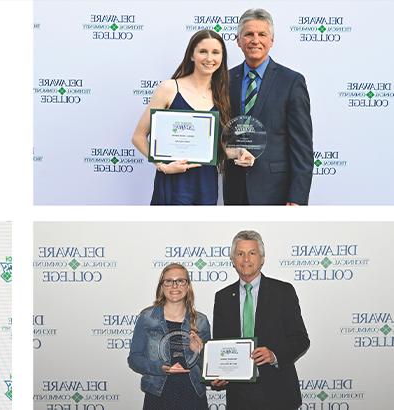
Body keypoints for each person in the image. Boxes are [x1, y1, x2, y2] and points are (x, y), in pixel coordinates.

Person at [132, 30, 249, 205]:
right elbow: (138, 137)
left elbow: (218, 149)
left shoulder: (222, 95)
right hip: (173, 181)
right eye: (203, 51)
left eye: (216, 53)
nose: (209, 58)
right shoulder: (169, 89)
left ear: (222, 58)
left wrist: (239, 152)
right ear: (192, 55)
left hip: (206, 184)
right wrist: (162, 166)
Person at [223, 8, 314, 205]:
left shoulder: (291, 81)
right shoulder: (226, 80)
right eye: (248, 34)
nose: (255, 40)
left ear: (271, 40)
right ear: (238, 40)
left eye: (262, 34)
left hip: (276, 191)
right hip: (235, 188)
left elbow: (302, 146)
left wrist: (297, 197)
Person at [212, 230, 310, 409]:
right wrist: (218, 375)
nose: (246, 259)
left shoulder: (283, 291)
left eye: (252, 253)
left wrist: (274, 355)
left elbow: (301, 339)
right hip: (238, 397)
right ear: (233, 260)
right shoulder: (223, 297)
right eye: (240, 254)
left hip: (279, 393)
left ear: (262, 258)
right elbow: (220, 345)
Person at [128, 263, 210, 409]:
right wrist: (159, 368)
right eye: (169, 281)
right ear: (162, 286)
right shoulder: (147, 317)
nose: (174, 286)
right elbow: (134, 359)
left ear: (187, 286)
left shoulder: (201, 321)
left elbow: (209, 366)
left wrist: (200, 351)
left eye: (180, 281)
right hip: (158, 396)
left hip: (193, 396)